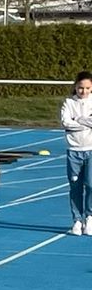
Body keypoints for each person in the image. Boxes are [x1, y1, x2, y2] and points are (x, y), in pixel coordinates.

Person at [59, 70, 92, 235]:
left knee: (91, 185)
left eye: (87, 88)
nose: (83, 91)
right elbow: (66, 122)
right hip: (74, 151)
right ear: (75, 87)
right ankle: (77, 220)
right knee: (75, 187)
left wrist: (77, 119)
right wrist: (85, 123)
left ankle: (89, 217)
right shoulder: (69, 102)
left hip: (91, 149)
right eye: (80, 88)